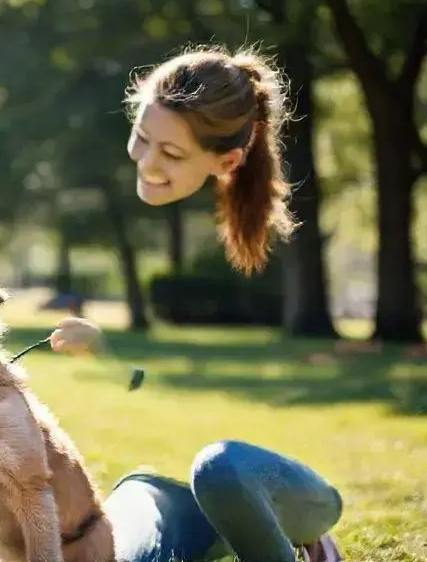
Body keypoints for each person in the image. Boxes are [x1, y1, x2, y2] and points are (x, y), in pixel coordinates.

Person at [55, 46, 344, 562]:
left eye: (171, 153)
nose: (147, 163)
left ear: (227, 159)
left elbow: (246, 393)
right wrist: (105, 352)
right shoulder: (130, 215)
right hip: (166, 497)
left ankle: (310, 548)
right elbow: (164, 393)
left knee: (221, 469)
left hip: (269, 484)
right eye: (141, 138)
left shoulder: (278, 245)